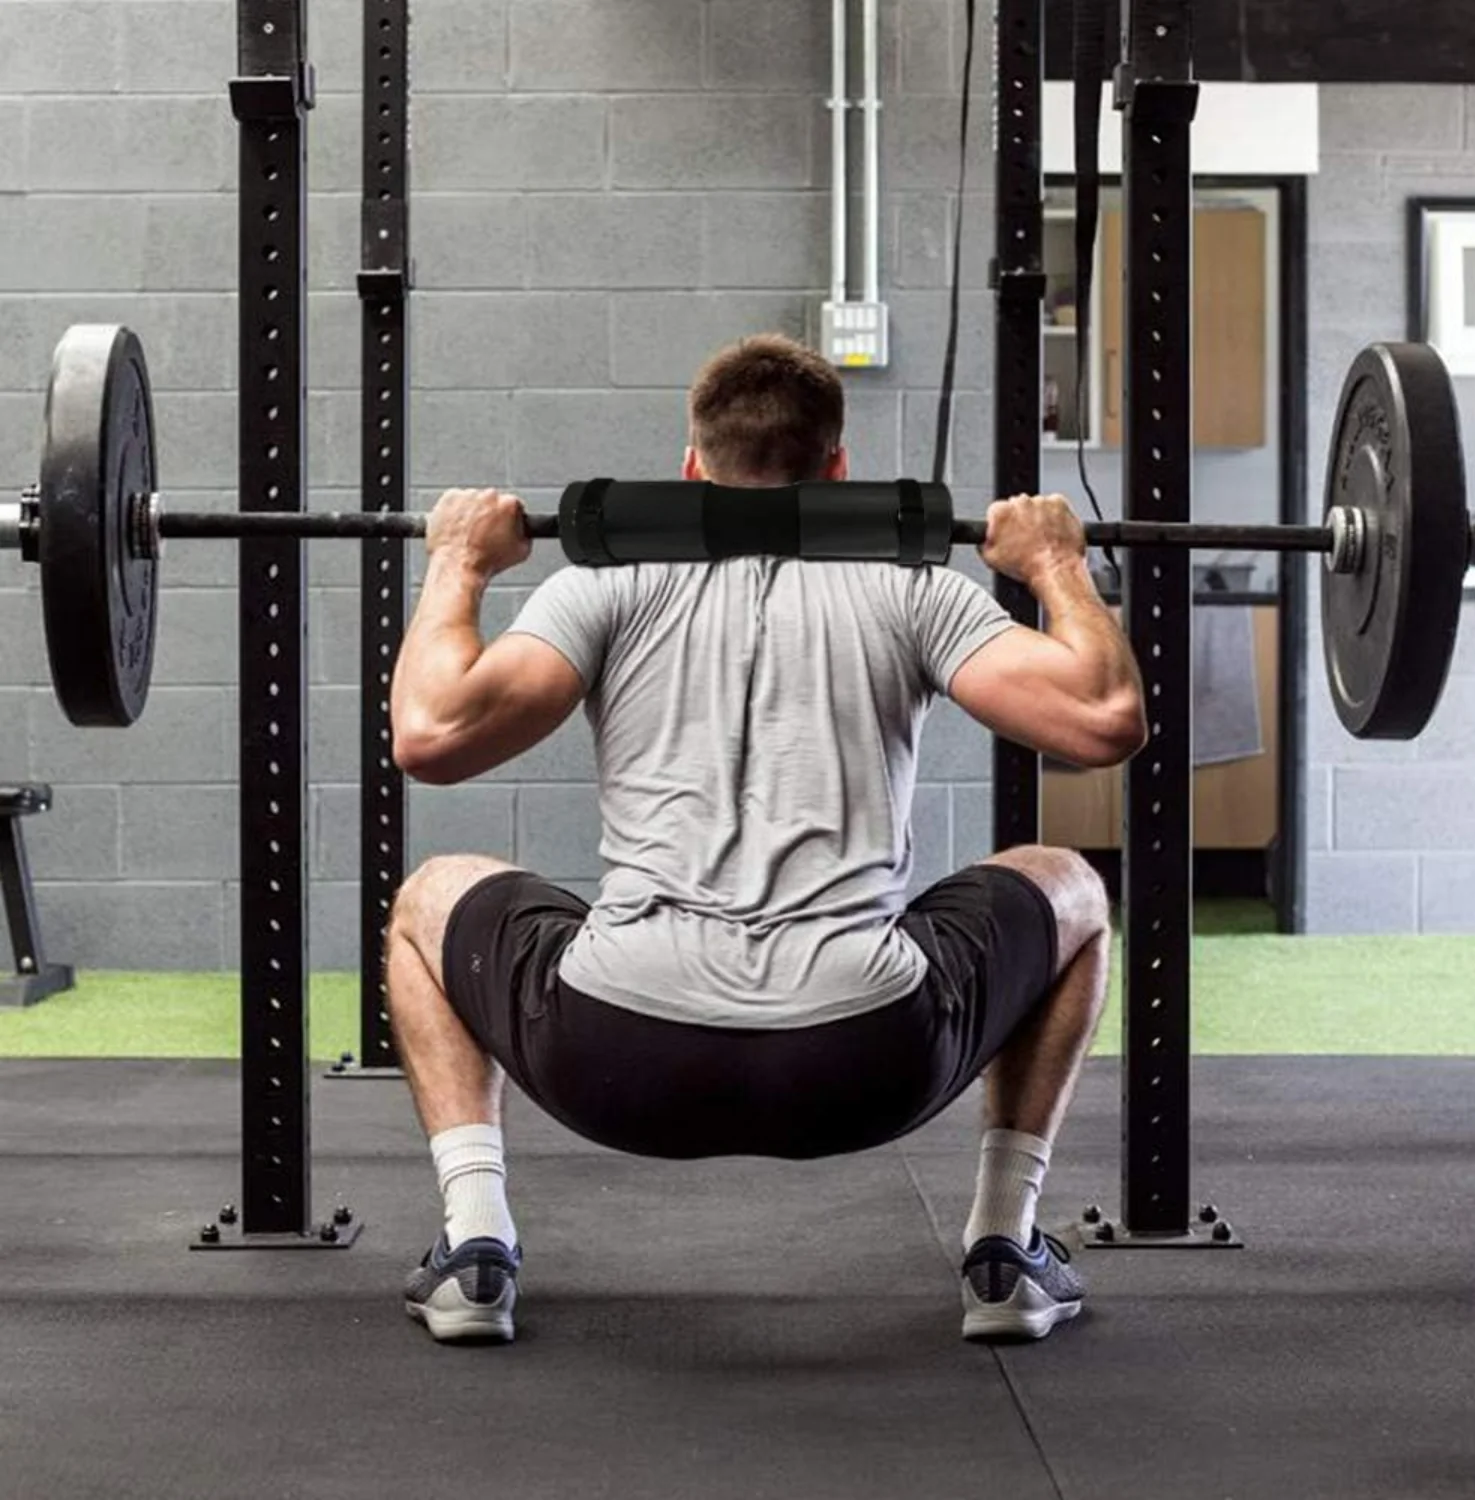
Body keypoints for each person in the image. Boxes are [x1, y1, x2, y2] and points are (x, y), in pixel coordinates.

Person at [388, 334, 1146, 1346]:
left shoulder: (604, 586)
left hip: (615, 1054)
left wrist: (456, 564)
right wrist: (1055, 565)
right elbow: (1105, 720)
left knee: (430, 897)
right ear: (836, 467)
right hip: (866, 1059)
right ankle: (1004, 1250)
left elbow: (430, 736)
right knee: (1071, 891)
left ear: (691, 466)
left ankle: (475, 1250)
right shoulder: (911, 588)